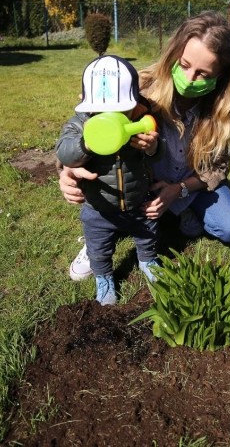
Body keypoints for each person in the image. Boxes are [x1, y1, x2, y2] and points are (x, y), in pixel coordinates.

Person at [60, 11, 230, 276]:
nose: (190, 79)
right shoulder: (138, 90)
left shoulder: (222, 111)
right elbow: (91, 129)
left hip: (190, 183)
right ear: (174, 54)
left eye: (203, 74)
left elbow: (217, 168)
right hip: (140, 183)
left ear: (221, 78)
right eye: (184, 65)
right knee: (113, 202)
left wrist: (178, 190)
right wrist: (67, 170)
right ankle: (99, 239)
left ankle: (174, 210)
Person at [55, 55, 160, 305]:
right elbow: (64, 151)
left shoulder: (139, 121)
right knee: (98, 248)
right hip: (98, 207)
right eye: (101, 110)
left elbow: (158, 155)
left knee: (147, 235)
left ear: (134, 102)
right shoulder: (79, 125)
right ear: (85, 102)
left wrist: (152, 146)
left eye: (120, 109)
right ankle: (103, 278)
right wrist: (89, 143)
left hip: (137, 201)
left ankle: (148, 261)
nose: (111, 116)